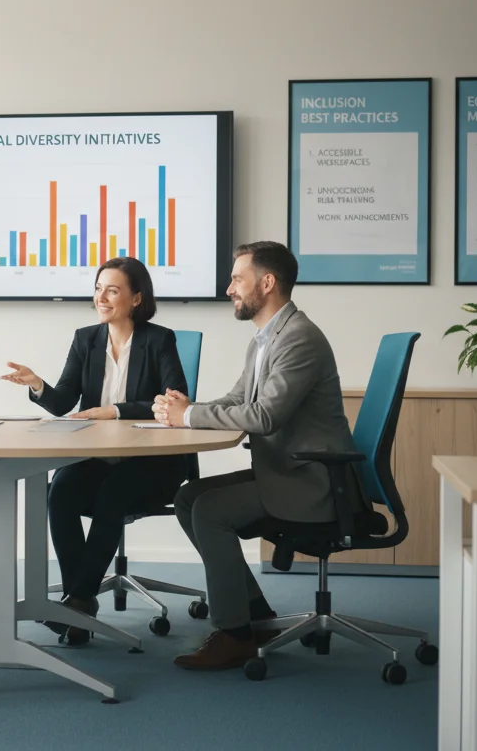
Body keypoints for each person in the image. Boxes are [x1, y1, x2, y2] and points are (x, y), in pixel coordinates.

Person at [152, 241, 365, 671]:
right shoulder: (266, 338)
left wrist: (189, 416)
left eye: (236, 279)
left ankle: (234, 635)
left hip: (312, 482)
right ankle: (257, 616)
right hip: (284, 470)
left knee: (209, 510)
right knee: (189, 497)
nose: (229, 287)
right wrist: (186, 406)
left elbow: (265, 416)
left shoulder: (299, 338)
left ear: (266, 283)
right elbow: (237, 399)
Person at [2, 256, 190, 645]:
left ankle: (78, 601)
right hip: (96, 458)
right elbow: (63, 403)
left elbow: (174, 400)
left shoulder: (160, 339)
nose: (101, 297)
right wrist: (38, 384)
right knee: (61, 491)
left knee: (113, 494)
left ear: (136, 298)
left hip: (149, 463)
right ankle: (80, 601)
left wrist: (115, 411)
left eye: (113, 290)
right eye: (98, 288)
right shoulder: (85, 338)